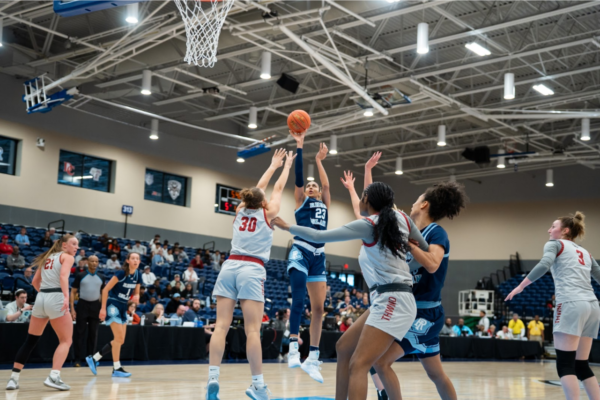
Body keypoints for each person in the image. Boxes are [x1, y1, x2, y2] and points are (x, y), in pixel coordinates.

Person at [271, 178, 431, 400]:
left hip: (393, 298)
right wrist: (404, 255)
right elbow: (424, 249)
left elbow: (319, 236)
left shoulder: (368, 225)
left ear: (369, 200)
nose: (361, 200)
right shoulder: (402, 217)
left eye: (363, 196)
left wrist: (287, 226)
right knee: (343, 346)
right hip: (388, 298)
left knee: (359, 364)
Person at [353, 154, 467, 400]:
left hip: (425, 313)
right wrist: (367, 170)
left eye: (416, 200)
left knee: (380, 362)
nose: (412, 204)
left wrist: (410, 245)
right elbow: (375, 204)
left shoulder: (437, 233)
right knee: (436, 375)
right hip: (411, 310)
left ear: (424, 204)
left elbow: (434, 264)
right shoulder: (402, 224)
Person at [207, 149, 294, 400]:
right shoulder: (269, 212)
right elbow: (276, 187)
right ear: (263, 202)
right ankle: (257, 385)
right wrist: (285, 166)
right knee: (252, 331)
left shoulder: (240, 209)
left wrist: (271, 165)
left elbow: (260, 187)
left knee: (221, 326)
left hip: (229, 265)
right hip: (252, 269)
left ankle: (213, 377)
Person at [505, 211, 600, 400]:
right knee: (581, 365)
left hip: (571, 304)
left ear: (564, 231)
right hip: (593, 307)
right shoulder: (585, 252)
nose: (549, 230)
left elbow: (544, 265)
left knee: (565, 365)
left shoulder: (555, 244)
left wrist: (520, 286)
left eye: (553, 226)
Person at [285, 133, 331, 382]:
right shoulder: (301, 200)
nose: (312, 187)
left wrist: (320, 161)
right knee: (299, 300)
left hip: (319, 256)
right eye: (309, 186)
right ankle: (293, 348)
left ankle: (312, 358)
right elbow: (300, 178)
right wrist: (300, 146)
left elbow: (326, 186)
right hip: (301, 251)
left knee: (318, 308)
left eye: (315, 186)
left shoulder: (324, 202)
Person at [6, 235, 78, 391]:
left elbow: (34, 282)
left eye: (77, 245)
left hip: (41, 297)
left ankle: (13, 379)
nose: (76, 247)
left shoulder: (47, 257)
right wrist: (65, 297)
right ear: (64, 245)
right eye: (73, 244)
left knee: (30, 341)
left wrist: (44, 297)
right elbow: (63, 276)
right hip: (56, 296)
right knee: (66, 340)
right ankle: (54, 376)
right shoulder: (67, 257)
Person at [85, 252, 141, 378]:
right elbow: (105, 290)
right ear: (128, 261)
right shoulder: (121, 273)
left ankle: (94, 358)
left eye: (137, 258)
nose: (136, 260)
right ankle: (116, 368)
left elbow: (136, 293)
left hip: (123, 306)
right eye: (133, 258)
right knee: (119, 338)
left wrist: (137, 296)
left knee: (120, 340)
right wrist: (103, 309)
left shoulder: (138, 275)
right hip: (113, 304)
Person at [70, 255, 105, 368]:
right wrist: (72, 309)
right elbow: (73, 292)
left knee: (93, 334)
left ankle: (90, 359)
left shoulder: (101, 277)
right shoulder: (80, 275)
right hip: (82, 305)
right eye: (92, 261)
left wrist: (102, 308)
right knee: (79, 333)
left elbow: (103, 294)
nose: (94, 263)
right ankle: (77, 359)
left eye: (96, 261)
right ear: (87, 262)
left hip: (95, 306)